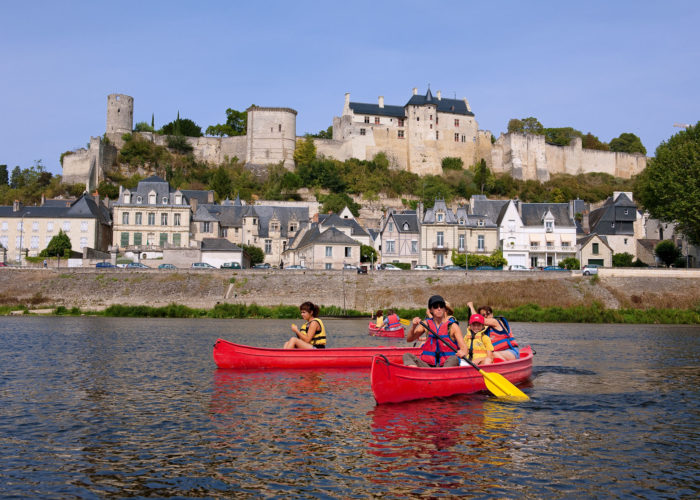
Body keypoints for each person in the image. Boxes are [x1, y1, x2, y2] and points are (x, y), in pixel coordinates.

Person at [403, 295, 468, 367]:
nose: (439, 308)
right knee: (407, 356)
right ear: (430, 310)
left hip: (446, 364)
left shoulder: (453, 326)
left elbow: (464, 348)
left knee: (453, 359)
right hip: (428, 365)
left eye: (441, 306)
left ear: (444, 309)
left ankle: (442, 375)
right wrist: (413, 326)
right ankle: (418, 373)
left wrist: (463, 352)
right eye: (435, 306)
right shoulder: (426, 324)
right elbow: (409, 339)